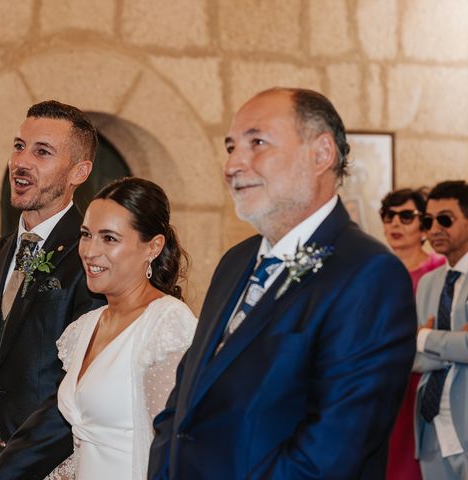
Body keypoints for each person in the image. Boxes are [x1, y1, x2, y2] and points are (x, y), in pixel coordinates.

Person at [148, 87, 417, 479]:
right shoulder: (235, 262)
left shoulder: (369, 275)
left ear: (321, 154)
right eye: (230, 147)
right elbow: (185, 400)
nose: (233, 165)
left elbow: (332, 451)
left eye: (257, 142)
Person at [0, 100, 105, 480]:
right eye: (18, 146)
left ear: (79, 171)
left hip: (47, 469)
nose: (21, 162)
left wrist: (5, 472)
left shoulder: (91, 260)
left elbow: (77, 388)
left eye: (42, 151)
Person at [47, 177, 196, 480]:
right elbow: (85, 449)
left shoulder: (165, 325)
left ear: (153, 247)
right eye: (86, 235)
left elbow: (173, 451)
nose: (90, 251)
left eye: (109, 238)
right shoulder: (84, 328)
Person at [380, 188, 445, 480]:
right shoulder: (376, 271)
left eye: (406, 216)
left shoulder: (441, 271)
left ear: (424, 226)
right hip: (383, 380)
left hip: (424, 382)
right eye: (388, 215)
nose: (395, 224)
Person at [413, 180, 468, 479]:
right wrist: (453, 344)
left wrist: (425, 337)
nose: (434, 229)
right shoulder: (428, 283)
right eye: (428, 220)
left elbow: (420, 344)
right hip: (431, 428)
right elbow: (412, 357)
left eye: (445, 219)